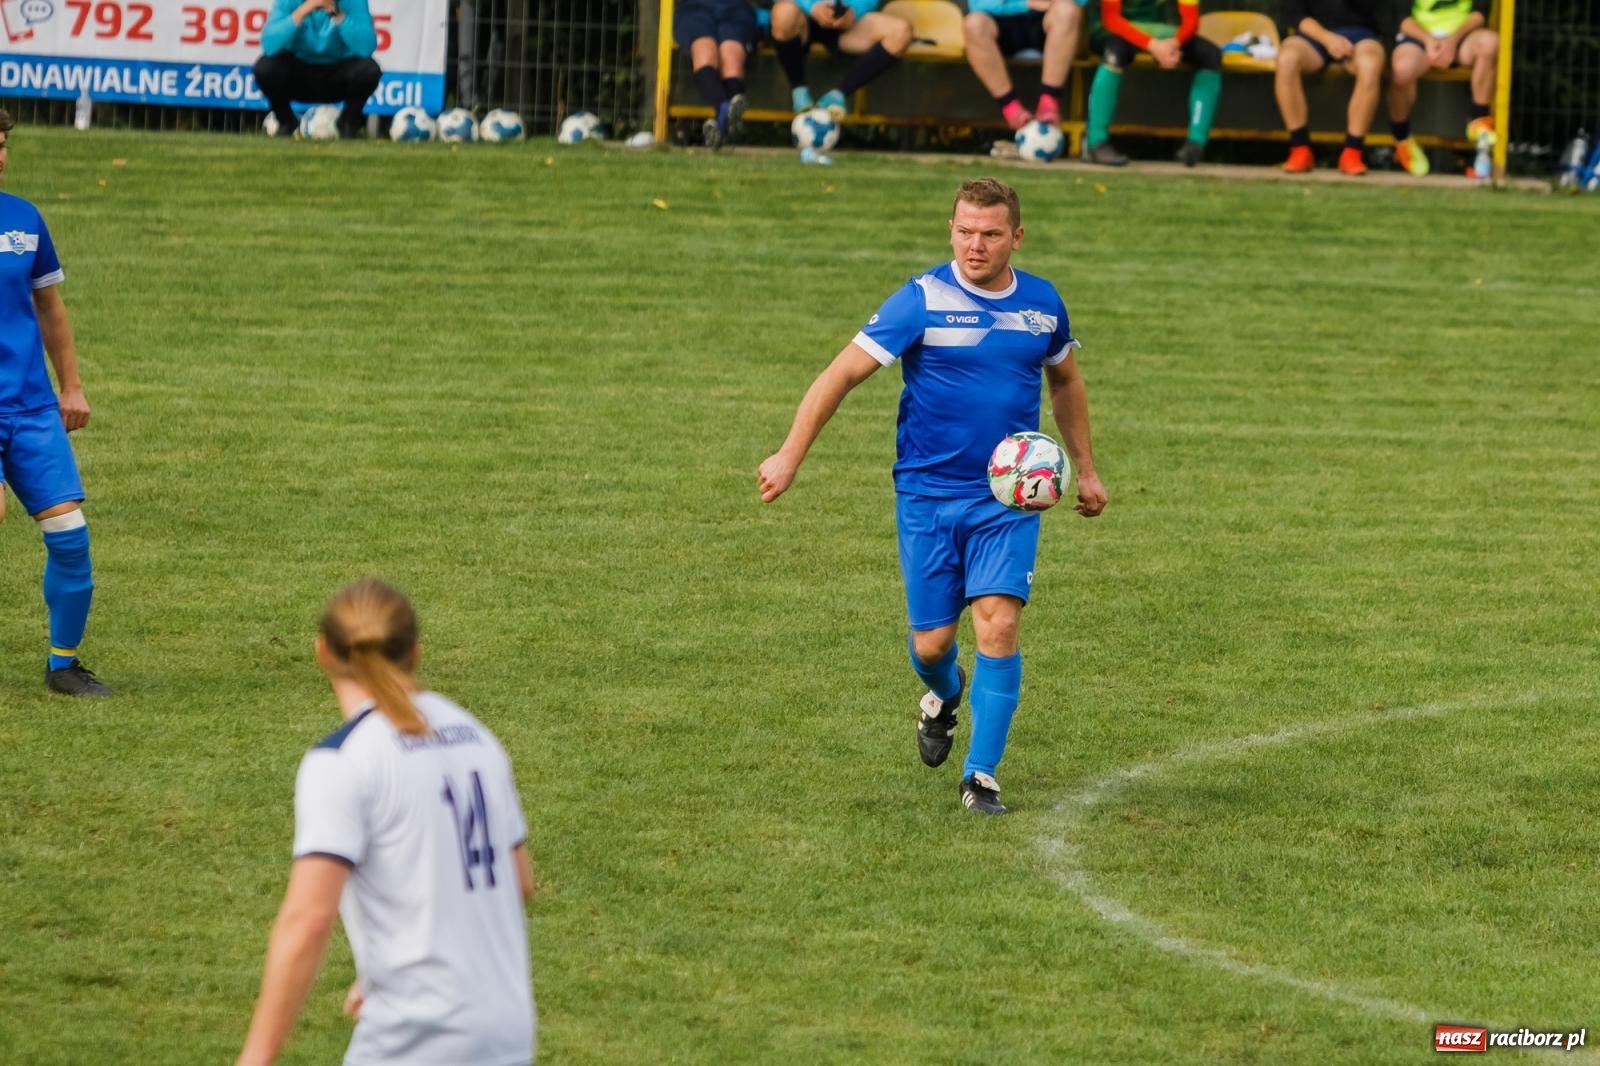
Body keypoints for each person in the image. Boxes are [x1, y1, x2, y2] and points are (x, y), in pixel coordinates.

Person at [757, 178, 1107, 816]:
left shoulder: (1042, 304)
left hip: (1006, 500)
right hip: (926, 495)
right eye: (965, 231)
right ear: (952, 230)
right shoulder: (920, 301)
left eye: (991, 234)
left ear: (1016, 238)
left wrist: (1085, 468)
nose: (976, 245)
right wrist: (789, 455)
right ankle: (942, 697)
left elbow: (1066, 383)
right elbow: (840, 374)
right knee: (932, 647)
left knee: (998, 625)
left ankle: (981, 776)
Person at [237, 578, 536, 1066]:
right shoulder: (476, 736)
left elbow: (308, 921)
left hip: (417, 1034)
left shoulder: (343, 761)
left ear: (322, 653)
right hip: (506, 1029)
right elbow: (519, 881)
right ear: (415, 652)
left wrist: (256, 1056)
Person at [0, 109, 111, 698]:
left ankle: (62, 664)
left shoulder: (24, 219)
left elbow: (50, 308)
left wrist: (71, 386)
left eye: (0, 144)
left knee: (70, 534)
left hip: (32, 407)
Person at [1081, 0, 1222, 166]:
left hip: (1158, 33)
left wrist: (1174, 44)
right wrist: (1153, 46)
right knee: (1115, 52)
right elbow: (1111, 19)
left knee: (1210, 55)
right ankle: (1096, 142)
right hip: (1111, 30)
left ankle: (1196, 144)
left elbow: (1191, 21)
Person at [1385, 0, 1498, 176]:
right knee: (1401, 69)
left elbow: (1480, 14)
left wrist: (1452, 40)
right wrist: (1429, 40)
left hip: (1461, 38)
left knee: (1490, 43)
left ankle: (1480, 125)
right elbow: (1402, 19)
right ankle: (1402, 139)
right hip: (1420, 39)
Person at [1274, 0, 1387, 175]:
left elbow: (1382, 15)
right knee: (1286, 59)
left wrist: (1346, 48)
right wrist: (1327, 39)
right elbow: (1295, 14)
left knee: (1370, 64)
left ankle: (1352, 152)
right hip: (1312, 36)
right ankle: (1300, 148)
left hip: (1361, 36)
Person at [254, 0, 382, 140]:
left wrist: (337, 14)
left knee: (369, 70)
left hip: (338, 73)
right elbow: (269, 45)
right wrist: (304, 10)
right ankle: (286, 121)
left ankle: (348, 123)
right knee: (265, 68)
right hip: (299, 73)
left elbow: (366, 47)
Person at [766, 0, 914, 116]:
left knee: (902, 31)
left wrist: (853, 12)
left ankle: (837, 95)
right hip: (802, 17)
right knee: (783, 12)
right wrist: (812, 6)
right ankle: (799, 91)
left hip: (844, 22)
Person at [963, 0, 1086, 132]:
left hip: (1049, 21)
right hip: (1000, 24)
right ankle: (1011, 107)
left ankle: (1049, 103)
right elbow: (977, 4)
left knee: (1067, 11)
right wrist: (1025, 4)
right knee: (973, 24)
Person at [673, 0, 759, 148]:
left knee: (732, 57)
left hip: (736, 7)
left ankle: (722, 120)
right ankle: (725, 118)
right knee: (704, 53)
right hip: (692, 8)